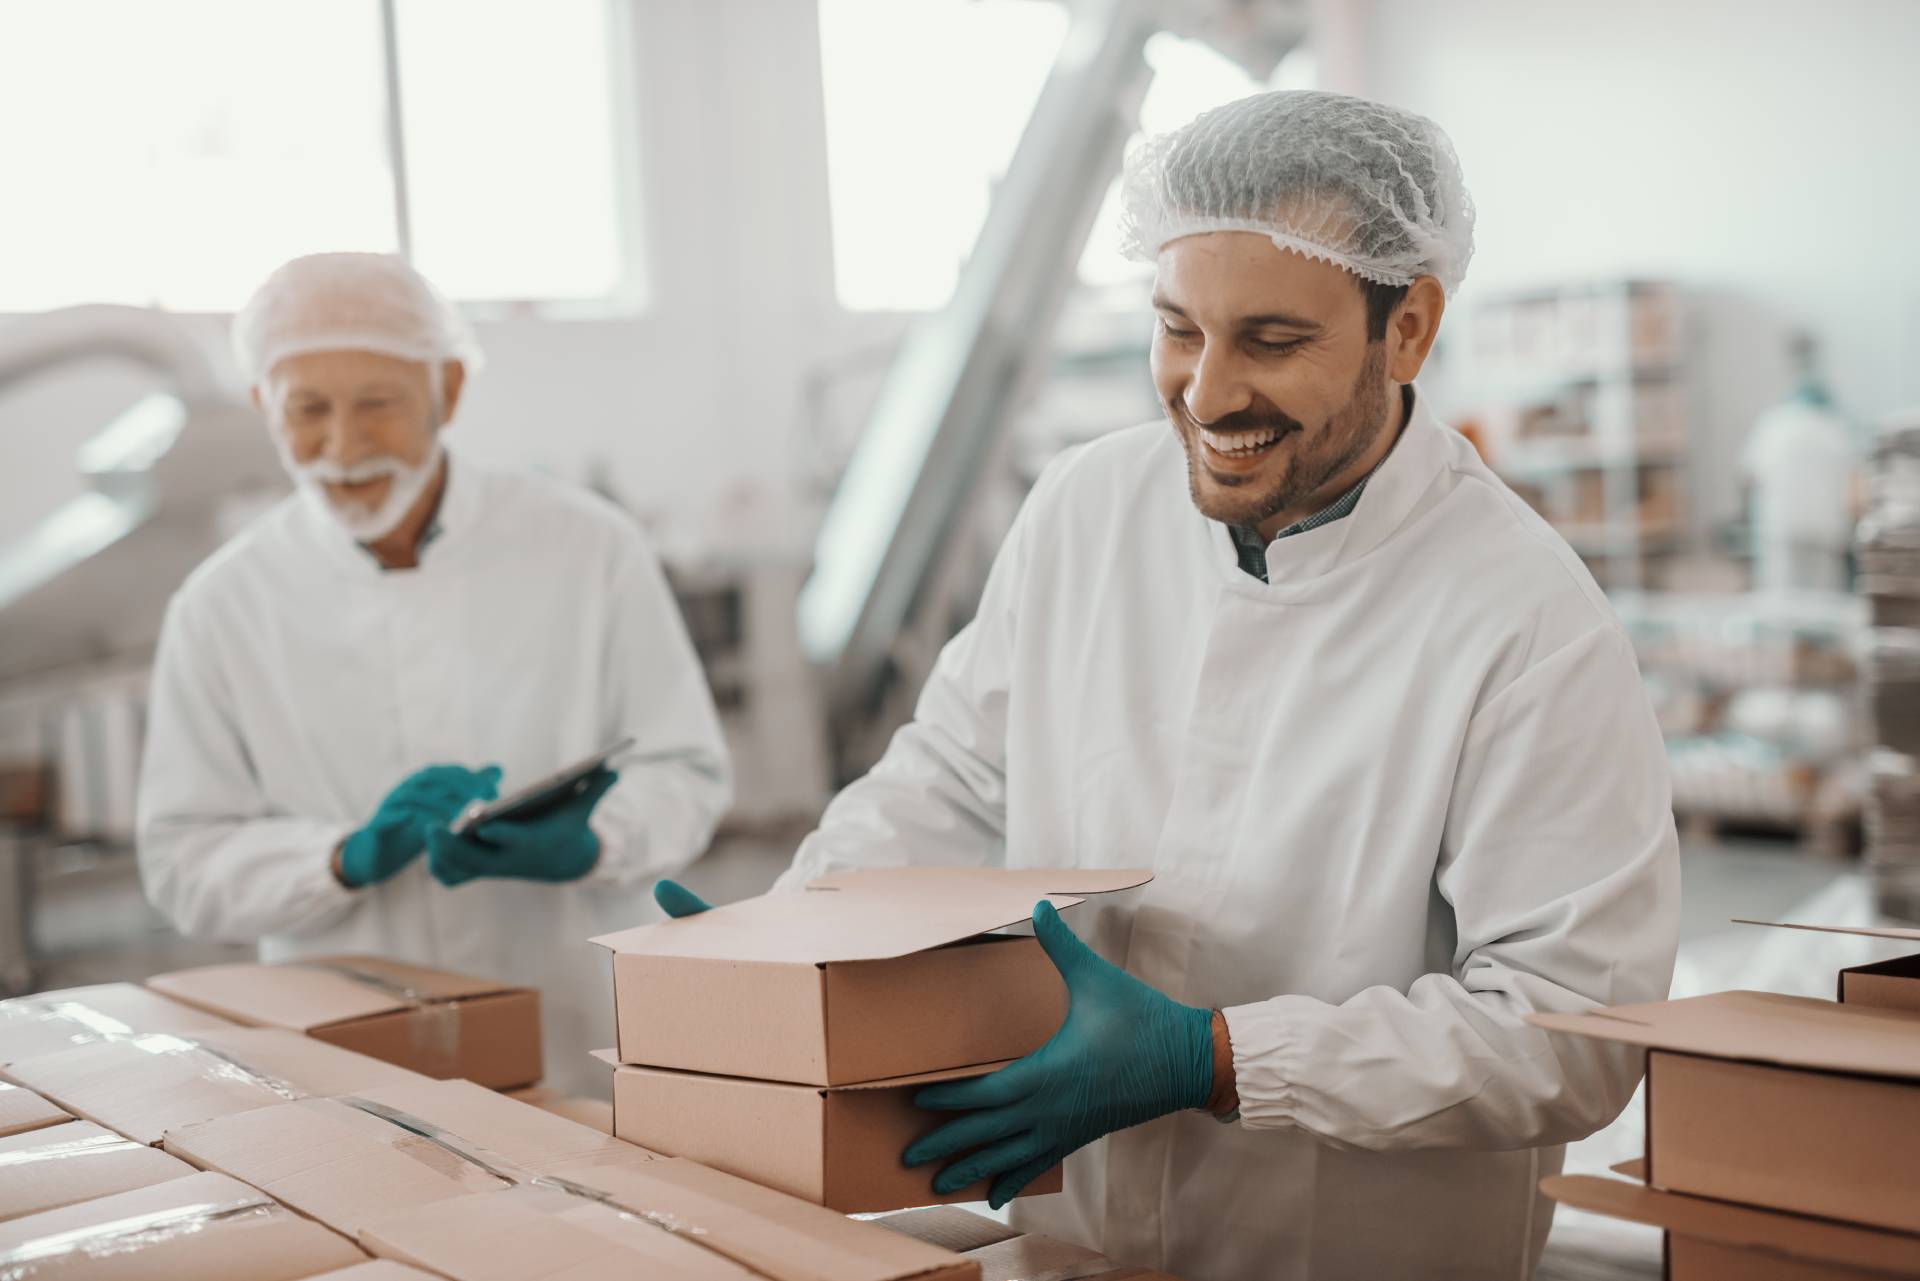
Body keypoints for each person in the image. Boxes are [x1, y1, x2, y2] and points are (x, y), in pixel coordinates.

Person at [657, 92, 1678, 1280]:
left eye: (1274, 341)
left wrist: (1219, 1058)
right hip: (1073, 1242)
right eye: (1178, 328)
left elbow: (1572, 1034)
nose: (1207, 392)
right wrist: (797, 932)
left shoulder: (1524, 618)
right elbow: (951, 778)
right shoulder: (1087, 507)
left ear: (1409, 331)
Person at [137, 253, 730, 1094]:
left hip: (578, 1032)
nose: (343, 447)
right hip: (346, 1055)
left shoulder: (588, 550)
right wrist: (338, 858)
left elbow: (688, 771)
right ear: (264, 404)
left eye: (377, 403)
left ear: (448, 390)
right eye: (307, 409)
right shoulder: (223, 604)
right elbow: (181, 859)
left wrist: (597, 838)